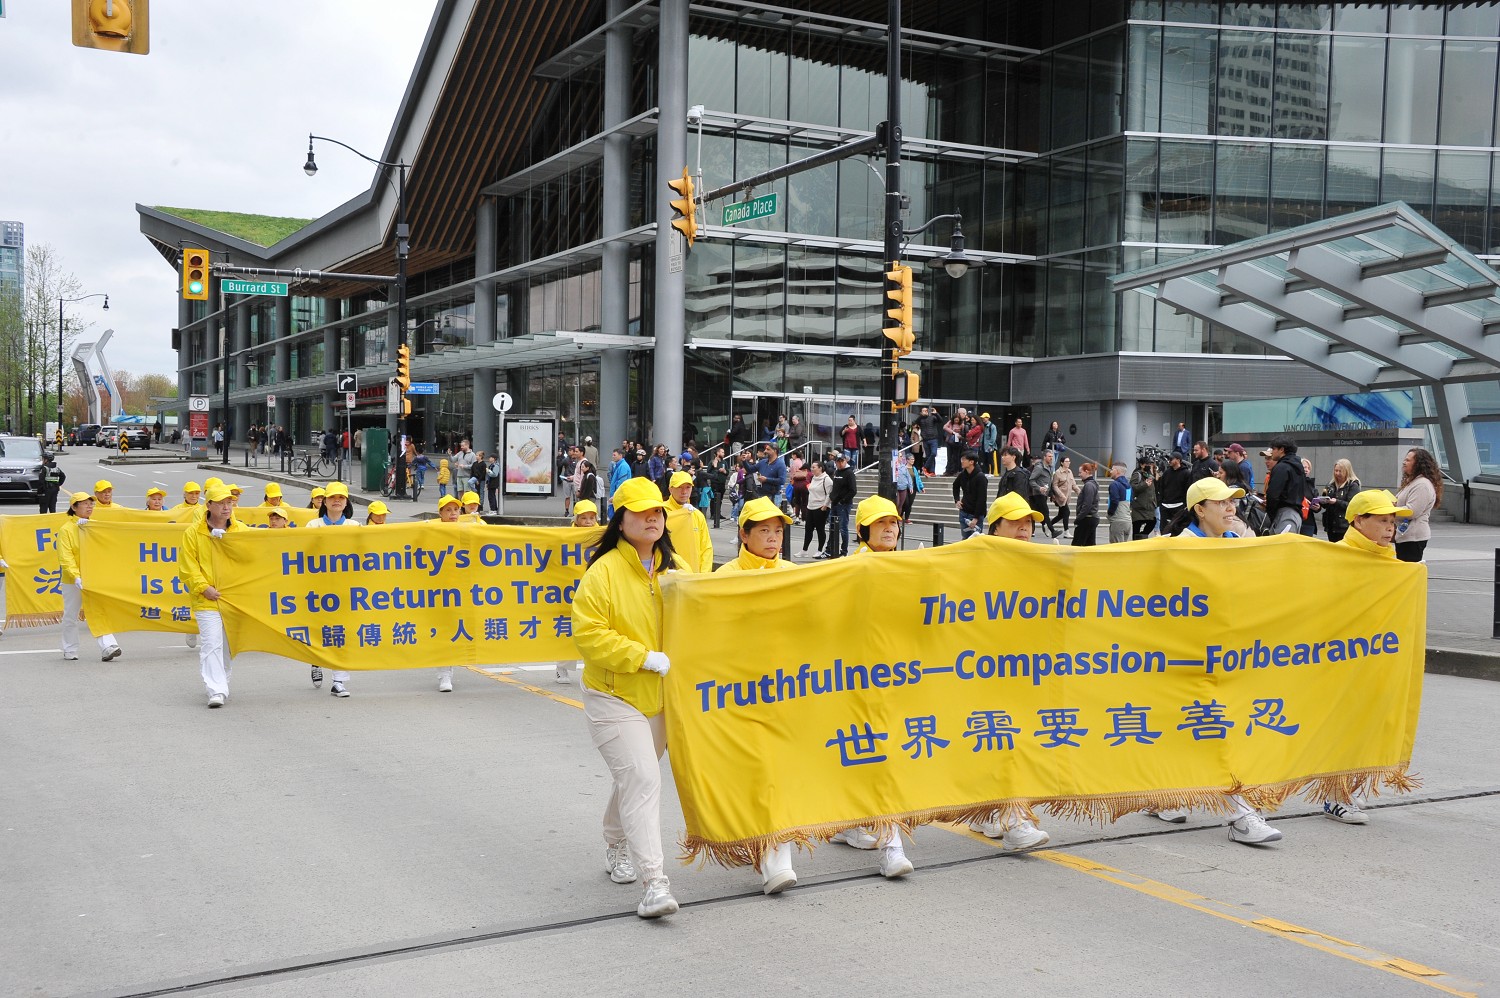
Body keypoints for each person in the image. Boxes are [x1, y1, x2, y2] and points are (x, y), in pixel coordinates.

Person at [571, 477, 686, 919]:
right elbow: (589, 635)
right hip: (613, 695)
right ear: (620, 521)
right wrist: (643, 657)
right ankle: (654, 883)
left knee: (634, 777)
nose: (652, 518)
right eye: (641, 512)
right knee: (642, 777)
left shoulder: (676, 568)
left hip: (663, 697)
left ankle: (615, 840)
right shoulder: (602, 573)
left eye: (657, 511)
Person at [964, 492, 1056, 848]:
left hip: (1026, 671)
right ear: (995, 528)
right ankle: (1015, 820)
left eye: (1029, 522)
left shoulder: (1041, 561)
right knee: (1006, 742)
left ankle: (989, 812)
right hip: (984, 671)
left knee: (1010, 743)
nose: (1024, 529)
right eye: (1015, 522)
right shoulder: (971, 560)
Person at [178, 483, 246, 707]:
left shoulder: (241, 531)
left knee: (227, 645)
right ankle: (216, 689)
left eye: (229, 503)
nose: (227, 507)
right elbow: (187, 566)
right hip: (206, 598)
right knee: (211, 643)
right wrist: (203, 587)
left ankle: (222, 681)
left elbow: (257, 556)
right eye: (221, 503)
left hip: (232, 599)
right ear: (208, 505)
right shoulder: (193, 533)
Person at [57, 491, 122, 662]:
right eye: (84, 504)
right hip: (72, 581)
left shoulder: (93, 526)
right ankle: (70, 648)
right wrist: (75, 576)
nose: (89, 507)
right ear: (74, 507)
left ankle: (108, 646)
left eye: (90, 504)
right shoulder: (66, 530)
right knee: (71, 615)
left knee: (99, 611)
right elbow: (66, 556)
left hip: (93, 578)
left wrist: (89, 528)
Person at [1392, 447, 1441, 563]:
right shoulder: (1413, 482)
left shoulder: (1422, 485)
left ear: (1418, 464)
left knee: (1408, 570)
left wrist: (1390, 510)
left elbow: (1412, 511)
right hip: (1405, 535)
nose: (1404, 462)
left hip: (1413, 537)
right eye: (1405, 459)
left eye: (1408, 460)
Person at [664, 470, 713, 573]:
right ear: (670, 489)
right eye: (679, 487)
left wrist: (704, 574)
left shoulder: (697, 515)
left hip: (694, 576)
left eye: (688, 487)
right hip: (670, 575)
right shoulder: (661, 512)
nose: (684, 491)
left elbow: (706, 548)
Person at [1263, 436, 1307, 535]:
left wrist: (1271, 513)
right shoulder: (1298, 467)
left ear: (1281, 450)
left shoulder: (1281, 467)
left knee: (1280, 544)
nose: (1272, 452)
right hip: (1296, 515)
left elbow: (1273, 495)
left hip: (1284, 515)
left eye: (1274, 449)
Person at [819, 451, 857, 559]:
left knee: (843, 528)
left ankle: (844, 551)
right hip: (835, 503)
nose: (840, 463)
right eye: (838, 461)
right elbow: (835, 488)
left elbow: (853, 490)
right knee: (832, 527)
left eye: (842, 461)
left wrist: (843, 501)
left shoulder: (849, 473)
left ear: (845, 461)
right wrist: (831, 499)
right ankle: (830, 549)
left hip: (843, 505)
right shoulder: (837, 472)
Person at [1320, 459, 1360, 543]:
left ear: (1347, 471)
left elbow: (1352, 505)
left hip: (1344, 525)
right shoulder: (1330, 485)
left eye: (1340, 471)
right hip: (1331, 525)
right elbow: (1324, 500)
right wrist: (1321, 502)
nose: (1337, 473)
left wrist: (1336, 502)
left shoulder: (1353, 485)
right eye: (1336, 471)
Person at [952, 450, 988, 540]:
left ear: (971, 462)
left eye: (964, 459)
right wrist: (957, 500)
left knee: (976, 540)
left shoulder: (980, 477)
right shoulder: (962, 475)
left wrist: (976, 518)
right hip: (964, 512)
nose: (962, 461)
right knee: (965, 539)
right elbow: (955, 486)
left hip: (976, 514)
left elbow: (982, 499)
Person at [803, 460, 832, 555]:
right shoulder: (814, 478)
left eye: (814, 467)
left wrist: (825, 505)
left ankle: (819, 550)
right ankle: (804, 550)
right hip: (811, 506)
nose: (812, 469)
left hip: (821, 507)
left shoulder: (826, 479)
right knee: (808, 528)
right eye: (811, 467)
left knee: (820, 529)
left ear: (820, 468)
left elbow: (829, 494)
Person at [1071, 462, 1100, 547]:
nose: (1079, 475)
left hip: (1087, 519)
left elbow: (1087, 504)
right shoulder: (1092, 484)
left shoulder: (1089, 485)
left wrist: (1079, 518)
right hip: (1091, 518)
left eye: (1080, 472)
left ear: (1086, 472)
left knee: (1077, 545)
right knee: (1089, 545)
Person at [1047, 455, 1075, 539]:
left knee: (1061, 515)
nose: (1068, 463)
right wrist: (1061, 495)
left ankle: (1049, 525)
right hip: (1060, 497)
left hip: (1067, 497)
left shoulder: (1070, 472)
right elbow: (1054, 485)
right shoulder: (1058, 472)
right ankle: (1066, 532)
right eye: (1066, 461)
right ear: (1062, 463)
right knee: (1067, 512)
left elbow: (1073, 484)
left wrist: (1079, 492)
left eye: (1069, 461)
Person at [1028, 449, 1055, 531]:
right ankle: (1052, 530)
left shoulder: (1050, 467)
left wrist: (1051, 494)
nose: (1051, 458)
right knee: (1045, 511)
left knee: (1041, 511)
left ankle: (1043, 524)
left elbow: (1049, 482)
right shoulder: (1039, 467)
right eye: (1049, 456)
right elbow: (1031, 480)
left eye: (1052, 456)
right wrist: (1039, 488)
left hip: (1045, 493)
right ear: (1044, 457)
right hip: (1038, 493)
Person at [1130, 459, 1157, 540]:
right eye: (1147, 464)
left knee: (1152, 522)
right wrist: (1145, 484)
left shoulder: (1149, 474)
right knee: (1136, 527)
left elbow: (1153, 491)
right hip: (1139, 507)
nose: (1149, 466)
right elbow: (1133, 488)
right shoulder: (1137, 475)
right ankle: (1136, 541)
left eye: (1150, 464)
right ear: (1141, 465)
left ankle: (1141, 536)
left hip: (1149, 506)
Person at [1106, 464, 1132, 543]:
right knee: (1123, 546)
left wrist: (1110, 513)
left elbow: (1114, 501)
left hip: (1117, 520)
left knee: (1116, 546)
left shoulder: (1114, 484)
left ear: (1117, 471)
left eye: (1112, 469)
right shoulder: (1128, 485)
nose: (1110, 471)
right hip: (1127, 520)